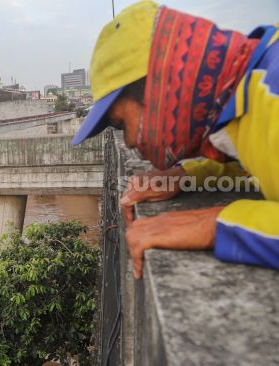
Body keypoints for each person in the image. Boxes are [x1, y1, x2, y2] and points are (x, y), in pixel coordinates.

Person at [72, 1, 279, 278]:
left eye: (122, 124)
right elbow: (261, 158)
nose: (130, 142)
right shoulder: (247, 101)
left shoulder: (273, 90)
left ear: (164, 86)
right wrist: (186, 175)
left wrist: (214, 224)